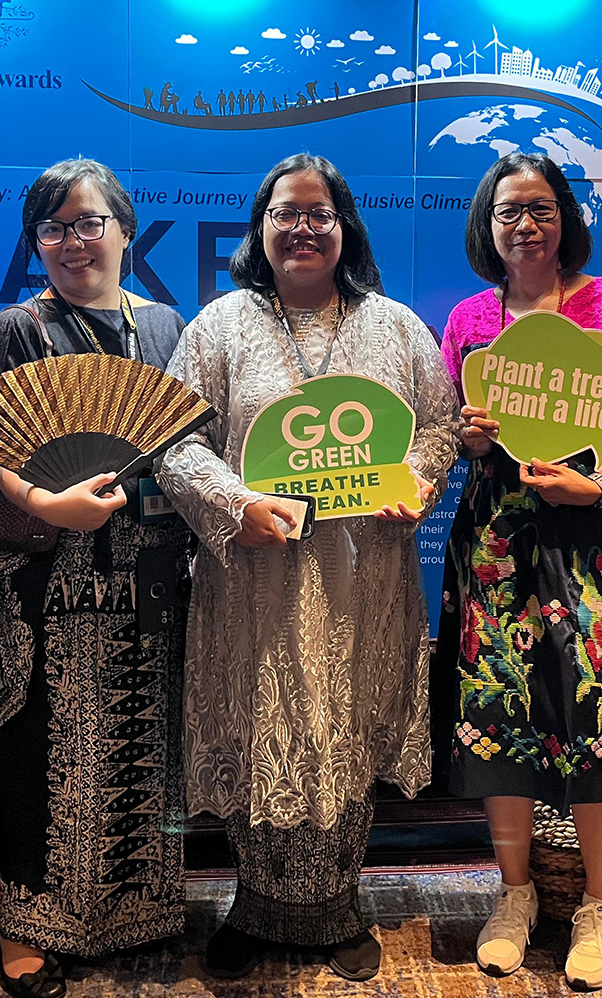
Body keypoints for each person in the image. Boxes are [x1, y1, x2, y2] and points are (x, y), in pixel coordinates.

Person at [156, 153, 458, 983]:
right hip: (256, 579)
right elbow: (176, 442)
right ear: (261, 227)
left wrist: (418, 484)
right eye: (286, 212)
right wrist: (232, 507)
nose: (302, 227)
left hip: (365, 579)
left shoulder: (397, 327)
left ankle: (335, 908)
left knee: (346, 726)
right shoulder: (217, 327)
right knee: (264, 724)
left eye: (319, 213)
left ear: (344, 228)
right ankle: (255, 909)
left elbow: (435, 427)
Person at [438, 151, 602, 990]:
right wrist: (470, 437)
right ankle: (512, 897)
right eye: (508, 210)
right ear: (487, 224)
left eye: (540, 208)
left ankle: (600, 904)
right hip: (501, 543)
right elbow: (451, 431)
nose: (525, 224)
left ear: (565, 217)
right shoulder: (471, 318)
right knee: (500, 708)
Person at [0, 159, 191, 998]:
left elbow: (187, 445)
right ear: (36, 243)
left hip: (151, 577)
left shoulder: (167, 327)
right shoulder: (19, 332)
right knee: (40, 748)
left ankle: (135, 909)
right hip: (47, 583)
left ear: (126, 231)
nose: (74, 242)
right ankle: (26, 924)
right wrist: (46, 502)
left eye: (89, 222)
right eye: (54, 228)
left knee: (141, 737)